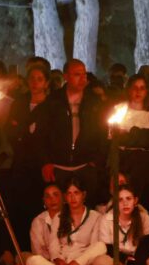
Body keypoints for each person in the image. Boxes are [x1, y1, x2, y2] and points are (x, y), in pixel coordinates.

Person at [37, 59, 106, 207]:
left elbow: (102, 132)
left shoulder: (94, 102)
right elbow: (41, 134)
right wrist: (46, 162)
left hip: (86, 165)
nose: (82, 79)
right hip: (58, 166)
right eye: (77, 74)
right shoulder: (53, 101)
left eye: (84, 75)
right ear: (66, 76)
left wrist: (96, 161)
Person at [26, 178, 106, 265]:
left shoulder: (96, 217)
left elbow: (93, 247)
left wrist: (75, 264)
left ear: (84, 195)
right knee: (31, 261)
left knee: (100, 246)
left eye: (76, 193)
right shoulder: (58, 217)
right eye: (69, 194)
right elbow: (53, 245)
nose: (72, 197)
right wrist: (58, 260)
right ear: (65, 197)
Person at [6, 63, 51, 250]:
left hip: (40, 165)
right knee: (18, 207)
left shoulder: (51, 106)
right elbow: (11, 129)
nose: (35, 82)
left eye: (39, 79)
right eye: (32, 78)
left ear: (46, 83)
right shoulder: (20, 103)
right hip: (20, 162)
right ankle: (19, 249)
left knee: (37, 206)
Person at [117, 74, 149, 219]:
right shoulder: (119, 110)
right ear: (128, 89)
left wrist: (130, 136)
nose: (138, 92)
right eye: (134, 87)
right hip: (127, 164)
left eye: (142, 88)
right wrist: (147, 137)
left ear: (147, 91)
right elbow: (115, 139)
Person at [93, 184, 149, 265]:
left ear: (135, 201)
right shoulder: (107, 219)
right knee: (99, 261)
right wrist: (124, 262)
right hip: (117, 264)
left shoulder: (144, 218)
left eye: (128, 199)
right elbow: (108, 249)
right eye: (120, 200)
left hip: (138, 264)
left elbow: (146, 248)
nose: (125, 203)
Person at [30, 183, 63, 260]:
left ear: (63, 197)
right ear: (44, 201)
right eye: (48, 196)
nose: (52, 199)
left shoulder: (72, 215)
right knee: (31, 261)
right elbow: (37, 251)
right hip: (49, 263)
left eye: (56, 195)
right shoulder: (38, 221)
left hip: (72, 261)